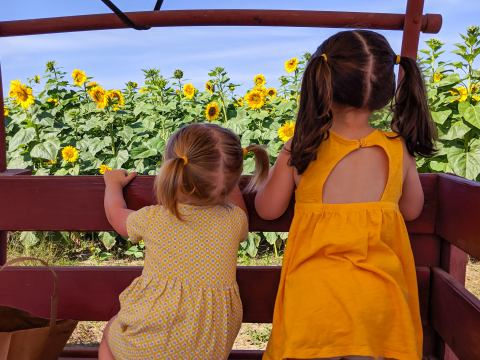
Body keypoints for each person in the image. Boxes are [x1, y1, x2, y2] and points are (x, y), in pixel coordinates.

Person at [255, 30, 436, 360]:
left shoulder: (302, 147)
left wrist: (282, 156)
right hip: (378, 296)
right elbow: (412, 209)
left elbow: (267, 209)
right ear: (386, 89)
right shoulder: (397, 150)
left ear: (321, 81)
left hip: (314, 297)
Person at [99, 123, 269, 360]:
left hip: (148, 337)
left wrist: (113, 185)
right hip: (207, 345)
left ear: (172, 169)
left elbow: (116, 216)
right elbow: (238, 208)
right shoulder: (234, 220)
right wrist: (225, 179)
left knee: (110, 333)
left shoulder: (154, 217)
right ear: (230, 183)